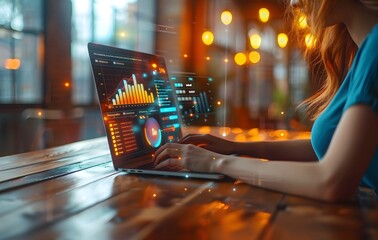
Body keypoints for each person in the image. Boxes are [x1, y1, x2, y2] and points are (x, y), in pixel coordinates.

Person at [153, 0, 378, 202]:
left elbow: (331, 182)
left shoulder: (375, 48)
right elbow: (329, 146)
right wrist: (235, 148)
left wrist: (216, 162)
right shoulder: (363, 52)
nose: (294, 3)